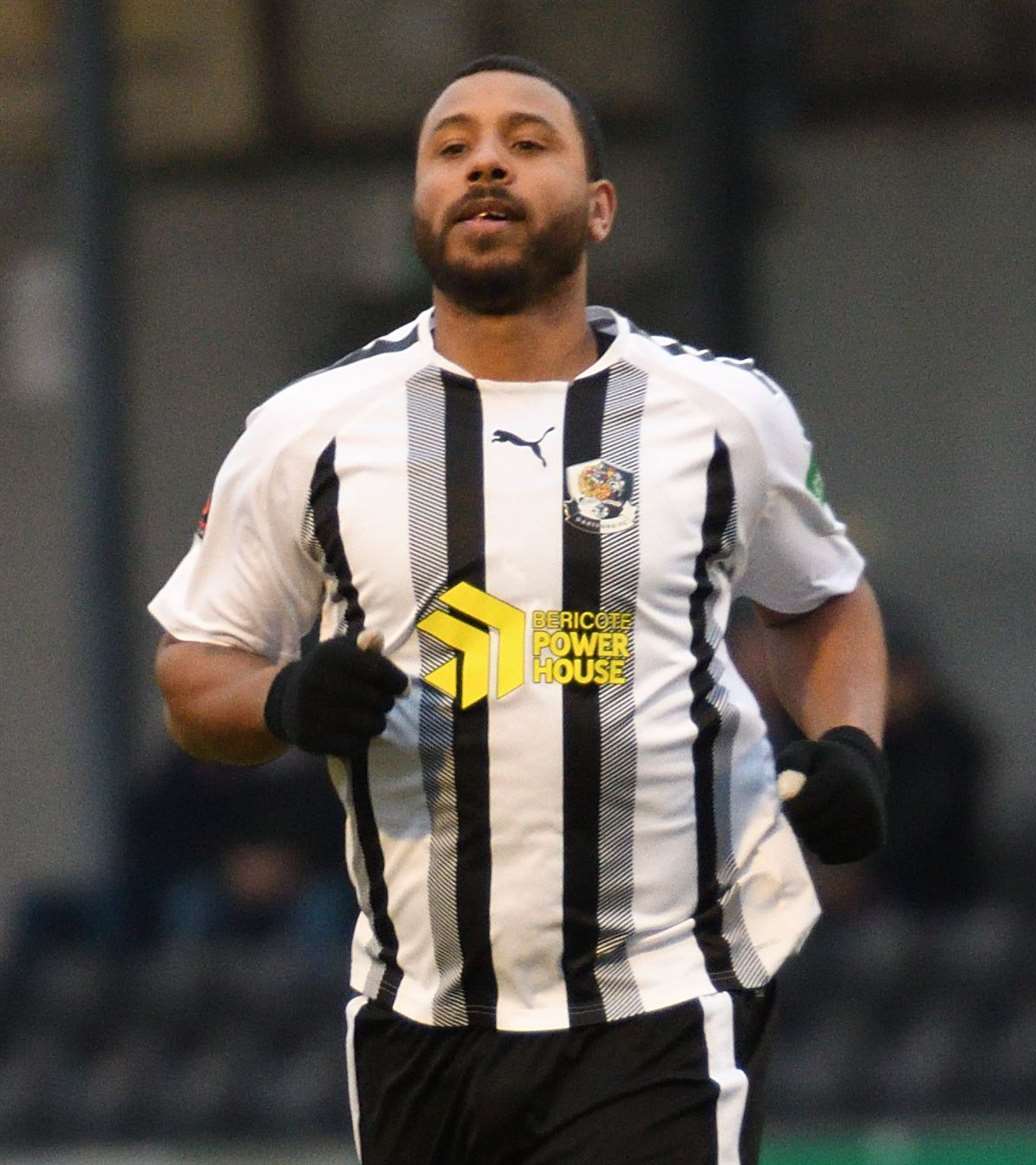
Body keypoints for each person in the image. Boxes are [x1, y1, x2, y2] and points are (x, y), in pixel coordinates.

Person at [149, 54, 888, 1165]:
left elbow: (822, 601)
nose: (484, 159)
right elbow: (193, 673)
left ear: (598, 210)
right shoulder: (309, 429)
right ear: (420, 207)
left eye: (526, 141)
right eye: (451, 147)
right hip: (420, 1019)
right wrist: (287, 697)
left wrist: (850, 744)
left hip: (663, 997)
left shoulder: (723, 412)